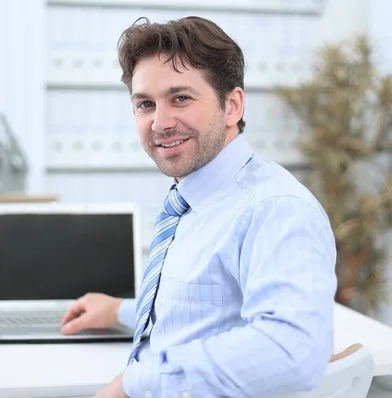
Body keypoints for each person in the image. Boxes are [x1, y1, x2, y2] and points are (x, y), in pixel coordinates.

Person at [60, 15, 337, 398]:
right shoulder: (194, 198)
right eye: (145, 104)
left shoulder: (275, 208)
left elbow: (291, 351)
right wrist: (121, 311)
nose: (160, 123)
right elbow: (204, 309)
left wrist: (136, 382)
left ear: (232, 106)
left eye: (181, 98)